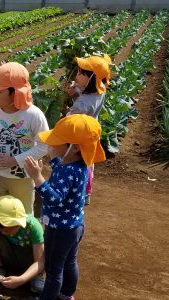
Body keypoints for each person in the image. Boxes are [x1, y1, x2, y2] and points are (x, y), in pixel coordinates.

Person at [23, 114, 106, 300]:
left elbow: (54, 199)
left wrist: (37, 177)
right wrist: (53, 159)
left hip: (59, 228)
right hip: (74, 226)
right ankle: (67, 294)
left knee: (53, 269)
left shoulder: (68, 170)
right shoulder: (79, 164)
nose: (51, 144)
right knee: (70, 262)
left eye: (56, 142)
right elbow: (61, 168)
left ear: (74, 147)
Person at [0, 62, 49, 215]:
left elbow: (44, 146)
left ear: (15, 92)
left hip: (23, 178)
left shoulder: (33, 115)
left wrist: (15, 160)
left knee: (23, 216)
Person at [0, 195, 45, 299]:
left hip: (29, 262)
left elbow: (40, 261)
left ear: (18, 223)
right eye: (0, 230)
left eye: (7, 230)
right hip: (8, 258)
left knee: (38, 287)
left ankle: (36, 276)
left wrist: (22, 279)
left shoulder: (32, 226)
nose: (3, 233)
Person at [64, 54, 112, 206]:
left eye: (80, 73)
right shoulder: (101, 88)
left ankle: (77, 192)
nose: (77, 75)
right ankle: (86, 192)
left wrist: (67, 108)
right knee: (88, 162)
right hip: (92, 131)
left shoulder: (82, 104)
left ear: (91, 79)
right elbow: (86, 93)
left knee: (75, 162)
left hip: (79, 136)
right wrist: (77, 90)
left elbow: (70, 118)